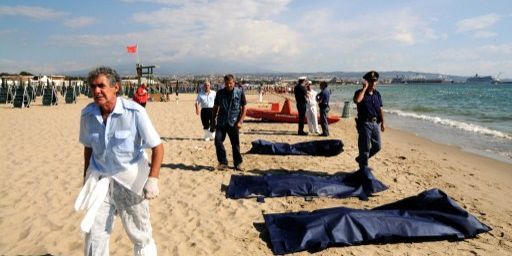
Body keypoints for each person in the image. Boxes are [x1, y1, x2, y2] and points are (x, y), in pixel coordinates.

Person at [76, 66, 164, 256]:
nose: (97, 91)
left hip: (131, 184)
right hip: (100, 182)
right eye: (93, 87)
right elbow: (88, 148)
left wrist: (153, 179)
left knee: (140, 234)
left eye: (101, 85)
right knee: (94, 235)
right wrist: (86, 177)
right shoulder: (87, 115)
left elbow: (157, 147)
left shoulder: (135, 112)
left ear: (116, 87)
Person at [210, 74, 247, 171]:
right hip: (221, 122)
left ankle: (238, 163)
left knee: (235, 144)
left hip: (233, 122)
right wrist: (213, 121)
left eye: (230, 83)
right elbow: (215, 108)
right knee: (217, 141)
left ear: (234, 83)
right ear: (224, 83)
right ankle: (223, 162)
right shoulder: (219, 93)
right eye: (227, 83)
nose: (229, 85)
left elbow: (244, 108)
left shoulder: (239, 92)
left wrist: (241, 121)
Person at [353, 70, 385, 170]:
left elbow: (380, 109)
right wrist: (364, 89)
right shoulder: (359, 92)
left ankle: (361, 159)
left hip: (375, 123)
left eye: (374, 81)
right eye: (370, 81)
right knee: (365, 148)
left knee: (377, 146)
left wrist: (383, 122)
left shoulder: (377, 94)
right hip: (364, 123)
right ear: (366, 81)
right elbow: (357, 101)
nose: (373, 83)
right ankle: (364, 169)